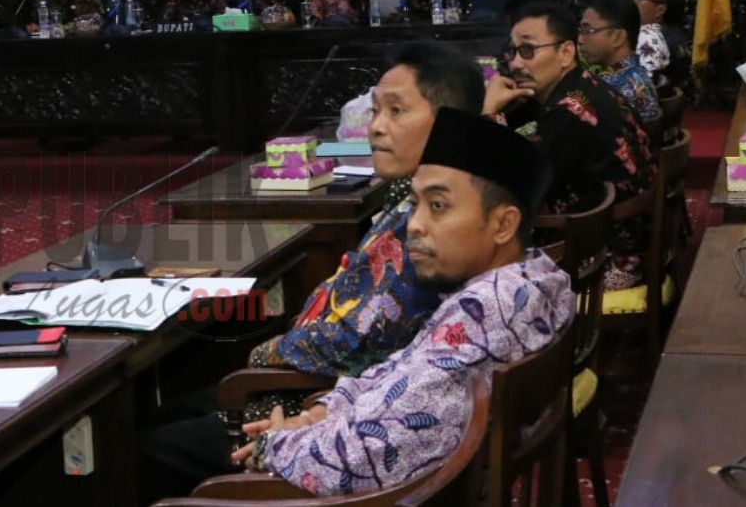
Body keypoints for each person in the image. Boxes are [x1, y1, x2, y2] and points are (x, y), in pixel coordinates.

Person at [139, 109, 573, 501]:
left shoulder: (482, 316)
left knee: (148, 459)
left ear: (503, 224)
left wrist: (277, 444)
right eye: (416, 204)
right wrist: (320, 413)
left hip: (376, 486)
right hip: (360, 444)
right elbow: (398, 374)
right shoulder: (526, 280)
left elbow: (364, 457)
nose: (416, 226)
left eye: (438, 207)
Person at [248, 42, 484, 378]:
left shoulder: (437, 217)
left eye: (396, 111)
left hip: (327, 399)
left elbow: (361, 343)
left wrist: (267, 353)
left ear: (451, 123)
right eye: (376, 110)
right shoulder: (412, 191)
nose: (375, 127)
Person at [482, 0, 653, 290]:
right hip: (618, 240)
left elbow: (515, 187)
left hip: (605, 261)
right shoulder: (583, 87)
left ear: (565, 52)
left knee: (477, 249)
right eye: (512, 51)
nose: (515, 63)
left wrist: (490, 113)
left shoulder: (571, 112)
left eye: (528, 50)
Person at [578, 0, 661, 123]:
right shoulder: (636, 73)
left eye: (588, 31)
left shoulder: (611, 90)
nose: (581, 39)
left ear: (618, 38)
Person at [626, 0, 690, 88]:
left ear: (660, 9)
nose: (627, 2)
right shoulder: (671, 33)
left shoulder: (649, 39)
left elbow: (636, 91)